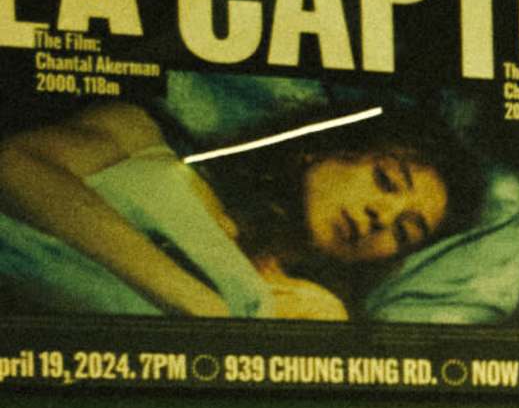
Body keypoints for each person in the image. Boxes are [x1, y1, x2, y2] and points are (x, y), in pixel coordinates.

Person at [0, 97, 470, 320]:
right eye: (386, 180)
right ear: (323, 150)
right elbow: (16, 166)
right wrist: (196, 301)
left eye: (405, 232)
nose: (381, 218)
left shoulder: (307, 309)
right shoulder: (149, 139)